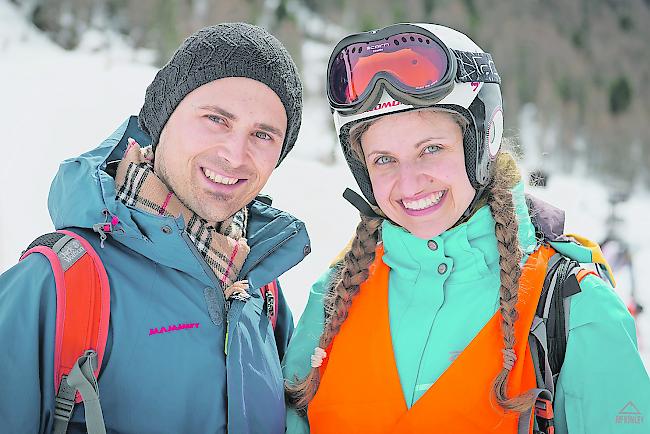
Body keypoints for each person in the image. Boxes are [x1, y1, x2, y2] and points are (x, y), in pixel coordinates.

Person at [282, 23, 649, 433]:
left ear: (481, 142)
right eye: (384, 159)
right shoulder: (336, 295)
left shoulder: (574, 308)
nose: (409, 183)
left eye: (431, 149)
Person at [0, 22, 309, 433]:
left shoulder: (257, 286)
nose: (235, 155)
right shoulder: (60, 283)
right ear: (162, 119)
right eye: (216, 119)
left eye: (263, 135)